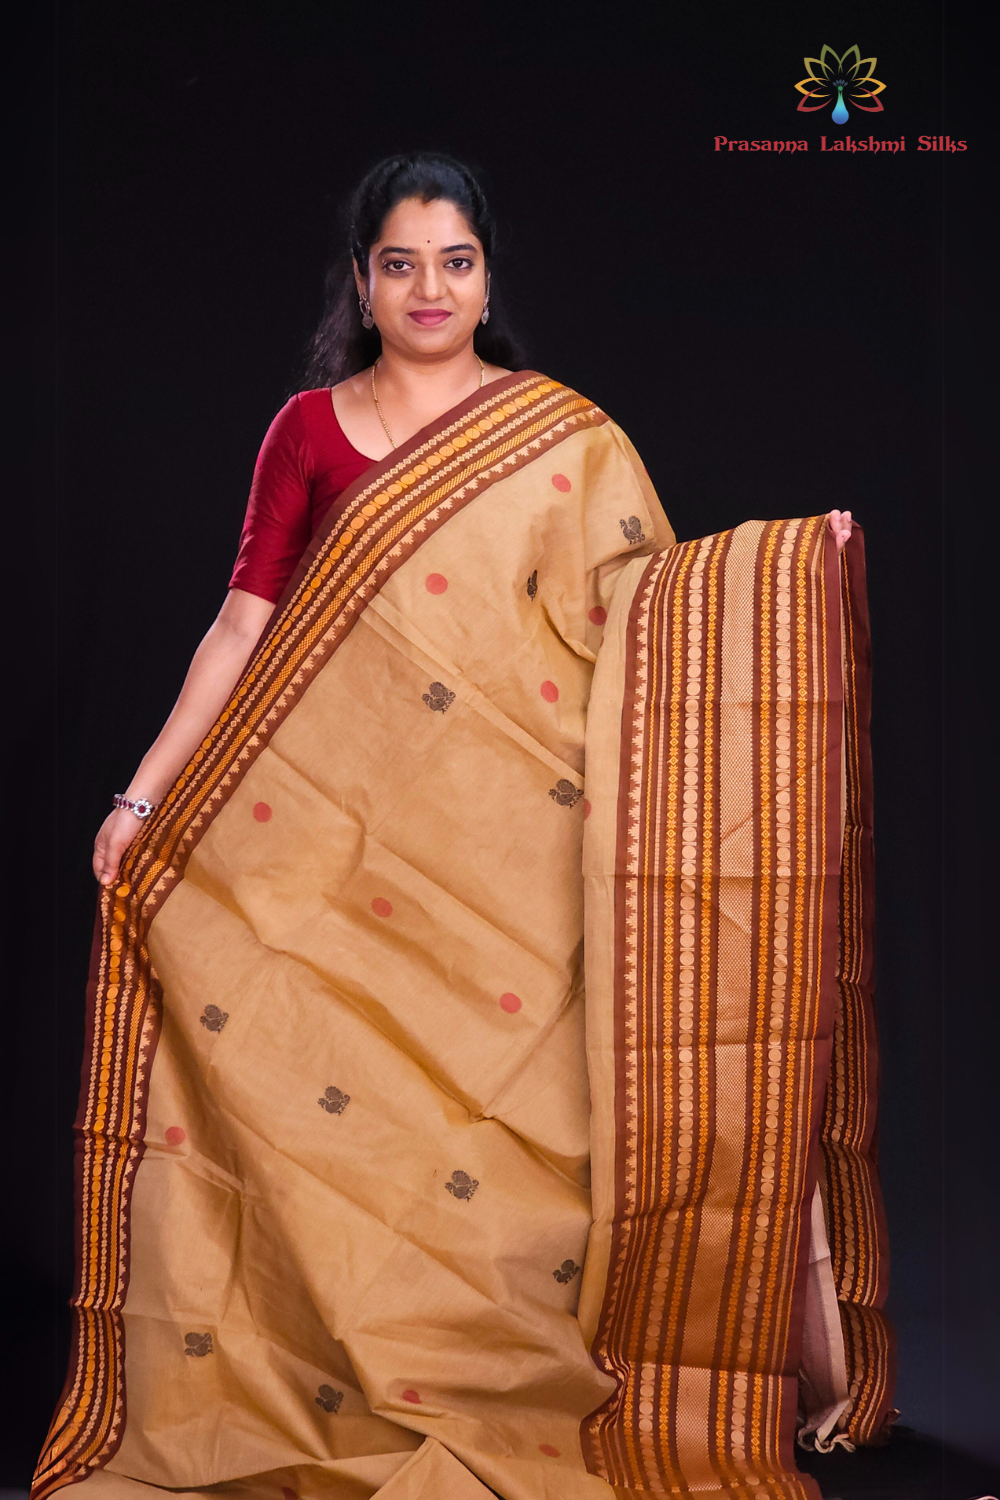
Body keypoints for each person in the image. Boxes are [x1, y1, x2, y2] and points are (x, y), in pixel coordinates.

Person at [36, 154, 890, 1500]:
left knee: (524, 1126)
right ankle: (328, 1362)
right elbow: (245, 623)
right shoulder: (307, 430)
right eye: (401, 264)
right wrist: (142, 794)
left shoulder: (559, 435)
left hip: (515, 860)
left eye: (455, 261)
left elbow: (653, 612)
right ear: (362, 281)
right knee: (311, 1083)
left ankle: (534, 1369)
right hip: (332, 845)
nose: (429, 288)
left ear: (488, 279)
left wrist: (785, 571)